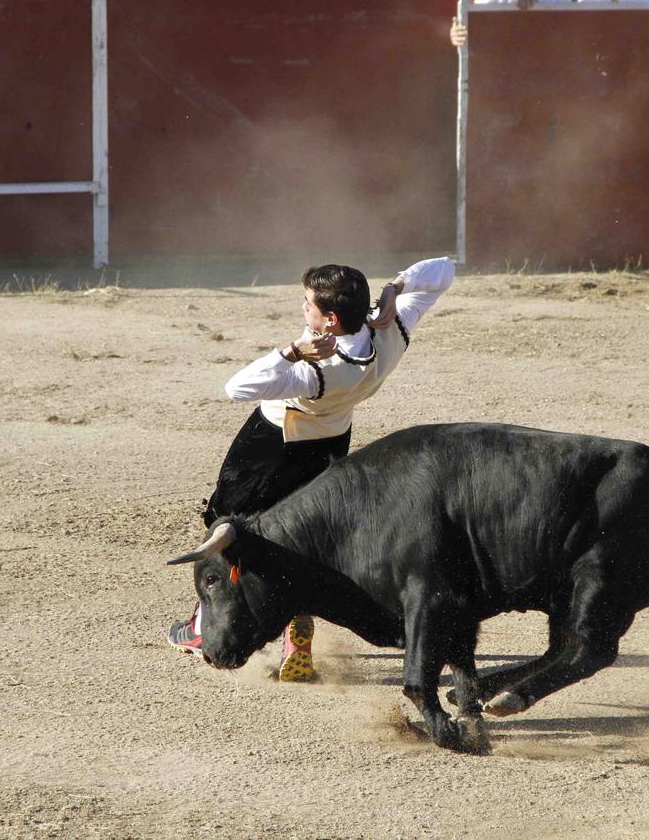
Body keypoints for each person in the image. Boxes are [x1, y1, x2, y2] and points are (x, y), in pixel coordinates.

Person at [167, 256, 456, 682]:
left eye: (309, 304)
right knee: (304, 535)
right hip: (331, 445)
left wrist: (291, 352)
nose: (303, 308)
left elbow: (236, 388)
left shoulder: (314, 370)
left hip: (272, 447)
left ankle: (202, 628)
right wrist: (395, 289)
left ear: (331, 319)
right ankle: (295, 630)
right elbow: (444, 269)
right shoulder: (390, 331)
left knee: (228, 527)